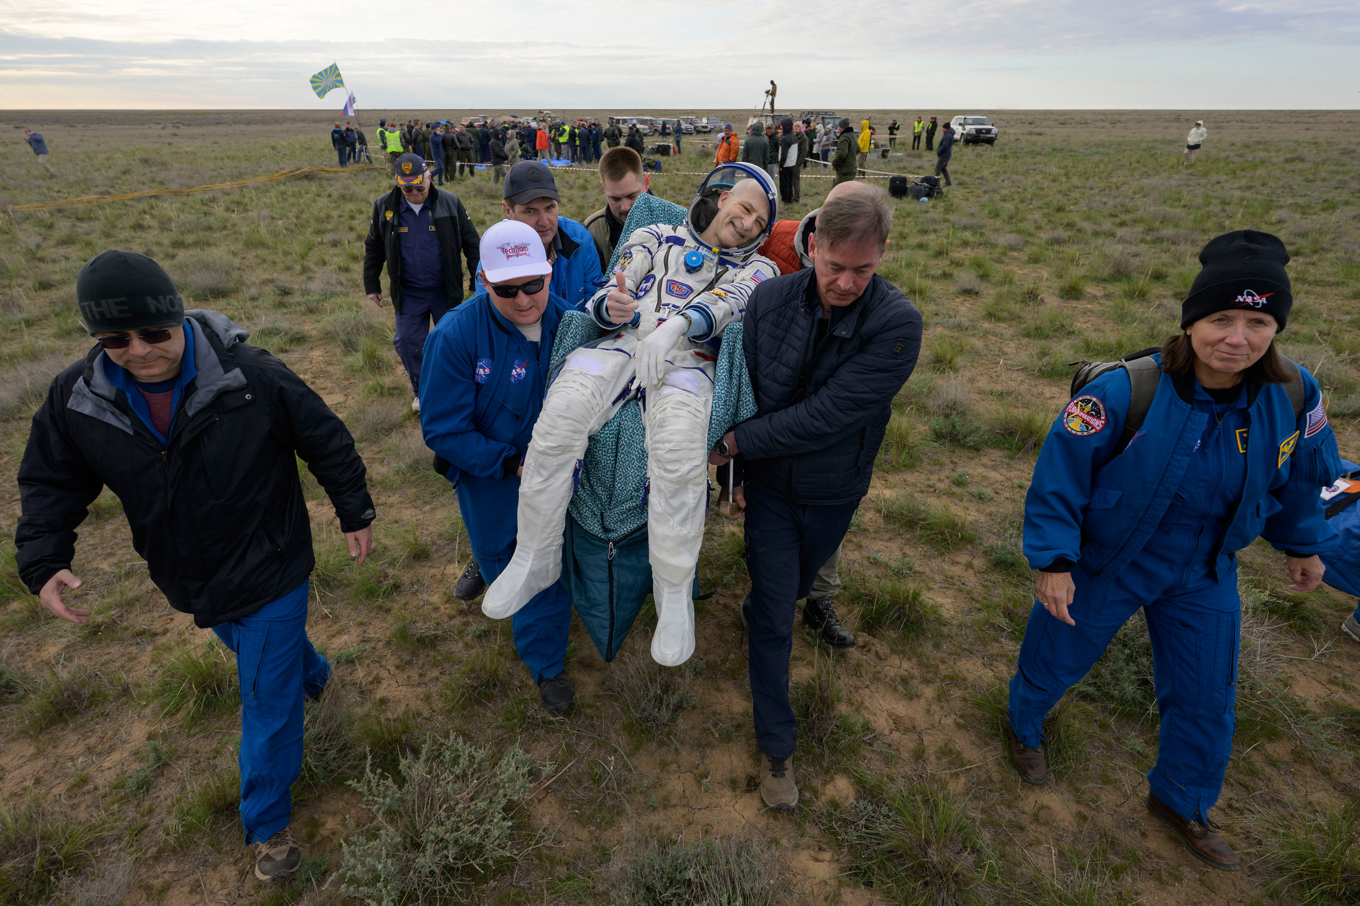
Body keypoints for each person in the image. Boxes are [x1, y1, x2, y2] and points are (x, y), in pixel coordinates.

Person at [17, 250, 376, 883]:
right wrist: (44, 558)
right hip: (186, 574)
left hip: (270, 561)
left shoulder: (250, 376)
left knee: (264, 698)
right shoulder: (78, 397)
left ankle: (267, 824)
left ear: (178, 316)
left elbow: (324, 437)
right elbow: (51, 480)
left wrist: (354, 510)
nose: (138, 351)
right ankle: (316, 675)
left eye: (153, 332)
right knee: (263, 655)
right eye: (115, 339)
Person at [1006, 230, 1340, 872]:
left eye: (1258, 322)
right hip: (1110, 560)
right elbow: (1058, 478)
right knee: (1055, 658)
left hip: (1206, 569)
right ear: (1191, 322)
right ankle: (1024, 727)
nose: (1237, 339)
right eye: (1220, 320)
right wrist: (1054, 562)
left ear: (1276, 328)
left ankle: (1181, 799)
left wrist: (1304, 544)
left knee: (1207, 695)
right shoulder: (1124, 390)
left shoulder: (1296, 394)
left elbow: (1304, 474)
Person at [481, 165, 780, 668]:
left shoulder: (760, 269)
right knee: (558, 421)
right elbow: (612, 284)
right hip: (621, 344)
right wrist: (612, 305)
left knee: (679, 456)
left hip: (689, 361)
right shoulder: (655, 234)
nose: (749, 224)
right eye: (746, 208)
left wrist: (676, 327)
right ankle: (536, 555)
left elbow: (730, 303)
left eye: (760, 222)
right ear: (723, 196)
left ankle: (673, 593)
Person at [715, 185, 921, 809]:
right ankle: (777, 749)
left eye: (863, 269)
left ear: (883, 253)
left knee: (798, 587)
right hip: (772, 492)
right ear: (812, 244)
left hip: (834, 491)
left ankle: (765, 605)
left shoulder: (896, 324)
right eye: (835, 266)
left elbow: (828, 416)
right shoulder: (769, 300)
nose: (846, 283)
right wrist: (736, 475)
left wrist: (736, 442)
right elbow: (746, 391)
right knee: (777, 613)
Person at [419, 220, 579, 711]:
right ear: (483, 281)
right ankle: (546, 663)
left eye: (533, 284)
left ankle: (555, 629)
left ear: (549, 271)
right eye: (507, 290)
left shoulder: (572, 322)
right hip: (493, 478)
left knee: (561, 555)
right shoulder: (454, 335)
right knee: (515, 560)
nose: (524, 300)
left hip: (562, 472)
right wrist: (511, 462)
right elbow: (443, 430)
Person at [747, 180, 884, 648]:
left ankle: (818, 598)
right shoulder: (776, 239)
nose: (845, 279)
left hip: (830, 447)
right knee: (773, 545)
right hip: (775, 418)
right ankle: (768, 599)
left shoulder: (873, 298)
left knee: (824, 521)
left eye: (859, 267)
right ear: (817, 234)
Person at [363, 154, 481, 410]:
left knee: (454, 343)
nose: (415, 193)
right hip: (409, 293)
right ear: (398, 184)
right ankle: (422, 390)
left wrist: (476, 282)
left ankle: (457, 388)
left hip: (445, 291)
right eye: (407, 189)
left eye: (419, 187)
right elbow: (374, 247)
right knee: (407, 344)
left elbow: (472, 243)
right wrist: (371, 285)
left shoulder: (449, 202)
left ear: (429, 177)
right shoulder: (385, 206)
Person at [496, 160, 603, 310]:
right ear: (508, 210)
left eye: (550, 207)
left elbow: (595, 303)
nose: (544, 222)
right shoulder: (495, 255)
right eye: (530, 211)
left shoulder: (580, 240)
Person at [583, 147, 651, 274]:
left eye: (631, 196)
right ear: (604, 188)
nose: (624, 207)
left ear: (646, 183)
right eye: (615, 199)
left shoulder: (674, 222)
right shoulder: (592, 231)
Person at [777, 117, 799, 205]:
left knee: (784, 184)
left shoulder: (785, 139)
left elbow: (784, 155)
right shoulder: (793, 137)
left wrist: (781, 166)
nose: (781, 127)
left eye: (782, 125)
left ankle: (785, 200)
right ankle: (790, 199)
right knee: (789, 183)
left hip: (785, 165)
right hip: (792, 164)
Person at [831, 117, 857, 186]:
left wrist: (834, 164)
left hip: (844, 171)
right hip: (852, 168)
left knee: (837, 190)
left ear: (842, 127)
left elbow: (842, 154)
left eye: (838, 127)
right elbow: (858, 149)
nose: (837, 128)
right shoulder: (852, 136)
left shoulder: (844, 138)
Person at [792, 122, 808, 203]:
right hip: (791, 161)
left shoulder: (803, 138)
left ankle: (796, 198)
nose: (796, 128)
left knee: (796, 181)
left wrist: (799, 163)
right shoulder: (792, 136)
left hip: (797, 162)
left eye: (798, 126)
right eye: (795, 126)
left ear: (801, 128)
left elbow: (804, 151)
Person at [935, 122, 955, 187]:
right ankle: (948, 182)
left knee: (937, 169)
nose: (942, 129)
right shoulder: (949, 134)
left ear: (946, 128)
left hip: (944, 155)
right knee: (943, 168)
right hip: (946, 154)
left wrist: (939, 151)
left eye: (943, 128)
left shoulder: (947, 136)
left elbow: (945, 146)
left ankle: (936, 184)